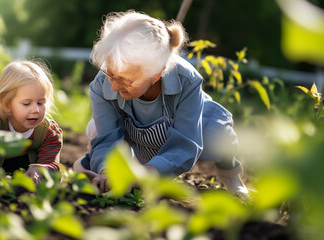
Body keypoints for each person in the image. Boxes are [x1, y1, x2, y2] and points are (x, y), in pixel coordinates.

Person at [73, 10, 249, 196]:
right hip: (138, 136)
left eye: (126, 80)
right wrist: (108, 171)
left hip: (191, 131)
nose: (115, 86)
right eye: (111, 74)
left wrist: (146, 173)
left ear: (156, 73)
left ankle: (230, 176)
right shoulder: (102, 85)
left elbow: (185, 143)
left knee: (218, 134)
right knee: (95, 129)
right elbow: (107, 137)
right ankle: (97, 165)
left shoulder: (187, 81)